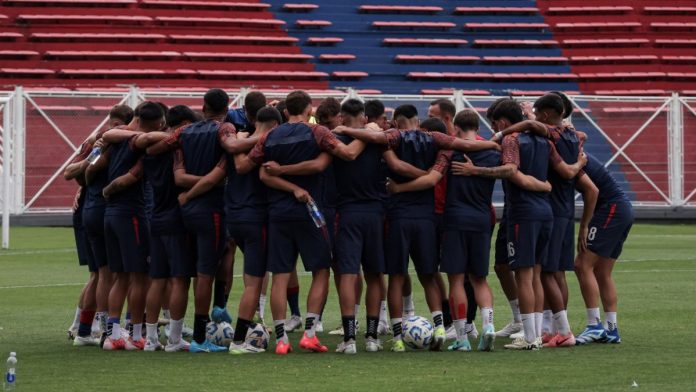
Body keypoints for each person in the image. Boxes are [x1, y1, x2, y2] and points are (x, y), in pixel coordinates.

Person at [334, 104, 500, 352]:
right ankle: (441, 327)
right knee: (430, 275)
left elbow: (381, 147)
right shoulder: (434, 138)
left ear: (398, 122)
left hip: (398, 216)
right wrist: (490, 144)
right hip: (427, 218)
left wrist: (346, 128)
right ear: (416, 120)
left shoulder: (394, 137)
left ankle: (396, 337)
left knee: (397, 277)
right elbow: (464, 145)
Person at [387, 109, 550, 352]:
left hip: (455, 219)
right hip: (483, 218)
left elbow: (431, 179)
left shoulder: (450, 152)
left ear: (455, 126)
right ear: (478, 126)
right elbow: (510, 170)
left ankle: (462, 337)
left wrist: (399, 189)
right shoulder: (492, 150)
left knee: (456, 280)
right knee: (480, 279)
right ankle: (488, 326)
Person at [234, 90, 366, 355]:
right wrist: (368, 131)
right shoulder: (317, 133)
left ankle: (281, 340)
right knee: (321, 271)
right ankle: (308, 334)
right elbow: (335, 159)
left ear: (285, 112)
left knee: (280, 275)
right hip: (312, 210)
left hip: (278, 213)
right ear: (310, 109)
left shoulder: (271, 135)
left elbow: (252, 169)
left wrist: (242, 143)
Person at [493, 93, 597, 348]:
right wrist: (580, 161)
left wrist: (500, 136)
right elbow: (572, 171)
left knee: (539, 274)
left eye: (537, 113)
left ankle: (554, 331)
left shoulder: (541, 137)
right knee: (551, 272)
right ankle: (549, 329)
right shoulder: (571, 135)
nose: (534, 118)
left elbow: (531, 134)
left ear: (547, 115)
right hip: (560, 210)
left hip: (540, 209)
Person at [179, 106, 284, 354]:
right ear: (274, 126)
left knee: (224, 264)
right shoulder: (267, 145)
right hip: (256, 218)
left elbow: (227, 170)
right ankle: (239, 341)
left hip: (233, 217)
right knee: (253, 281)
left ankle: (217, 312)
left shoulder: (234, 142)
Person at [64, 105, 134, 346]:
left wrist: (84, 182)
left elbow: (77, 171)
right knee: (111, 274)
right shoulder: (106, 144)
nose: (112, 129)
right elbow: (73, 171)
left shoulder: (101, 142)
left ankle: (83, 327)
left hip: (91, 210)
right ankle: (106, 329)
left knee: (99, 274)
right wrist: (88, 169)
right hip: (104, 211)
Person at [97, 102, 164, 351]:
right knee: (140, 277)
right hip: (131, 214)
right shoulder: (138, 141)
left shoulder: (117, 136)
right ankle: (136, 335)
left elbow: (108, 135)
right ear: (157, 123)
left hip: (111, 214)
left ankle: (113, 334)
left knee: (120, 277)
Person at [574, 153, 634, 345]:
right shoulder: (573, 143)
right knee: (602, 272)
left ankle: (594, 325)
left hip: (611, 209)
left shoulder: (569, 154)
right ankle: (611, 328)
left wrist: (584, 225)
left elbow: (592, 191)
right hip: (622, 208)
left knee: (582, 265)